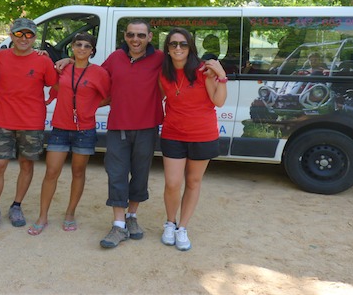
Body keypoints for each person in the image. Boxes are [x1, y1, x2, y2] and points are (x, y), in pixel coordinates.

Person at [28, 33, 110, 235]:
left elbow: (108, 97)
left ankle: (70, 213)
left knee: (78, 172)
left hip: (85, 129)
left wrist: (89, 108)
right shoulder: (62, 67)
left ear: (92, 50)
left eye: (87, 46)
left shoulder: (98, 73)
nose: (82, 48)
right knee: (51, 172)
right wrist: (42, 55)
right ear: (72, 47)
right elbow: (51, 80)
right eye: (78, 44)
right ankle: (43, 216)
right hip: (60, 128)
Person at [0, 18, 58, 232]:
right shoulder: (0, 58)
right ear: (11, 34)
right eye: (19, 34)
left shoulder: (43, 60)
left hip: (31, 123)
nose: (24, 38)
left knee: (26, 165)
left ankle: (16, 206)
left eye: (29, 34)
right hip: (3, 121)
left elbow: (55, 83)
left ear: (34, 37)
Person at [158, 27, 227, 251]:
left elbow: (218, 101)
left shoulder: (202, 71)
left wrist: (222, 77)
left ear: (190, 48)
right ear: (167, 49)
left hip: (202, 135)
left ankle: (182, 228)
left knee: (194, 182)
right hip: (173, 134)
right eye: (173, 44)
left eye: (183, 44)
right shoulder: (163, 73)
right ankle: (170, 222)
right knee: (172, 183)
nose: (178, 48)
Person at [98, 19, 164, 248]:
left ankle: (132, 218)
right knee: (116, 173)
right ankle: (118, 225)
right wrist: (67, 60)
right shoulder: (116, 57)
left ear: (149, 37)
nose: (135, 40)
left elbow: (185, 66)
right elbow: (94, 76)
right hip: (118, 126)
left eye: (140, 35)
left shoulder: (160, 58)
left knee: (140, 174)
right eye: (131, 35)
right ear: (125, 36)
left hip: (147, 126)